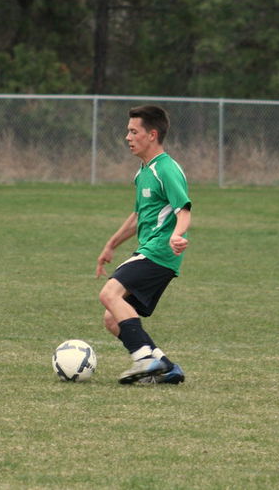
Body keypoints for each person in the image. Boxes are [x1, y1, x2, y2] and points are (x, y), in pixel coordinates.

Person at [95, 105, 190, 385]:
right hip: (149, 250)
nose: (128, 137)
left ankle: (143, 359)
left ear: (152, 135)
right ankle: (166, 367)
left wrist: (178, 235)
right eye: (128, 131)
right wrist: (111, 244)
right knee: (112, 318)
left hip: (160, 251)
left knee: (109, 293)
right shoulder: (142, 172)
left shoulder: (166, 169)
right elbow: (139, 217)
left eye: (133, 131)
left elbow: (183, 209)